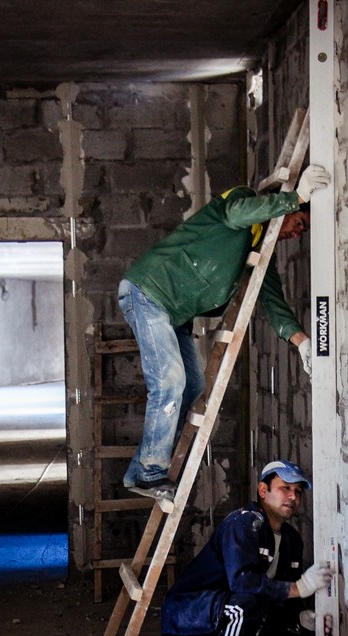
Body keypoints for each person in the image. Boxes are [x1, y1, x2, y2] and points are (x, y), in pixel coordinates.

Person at [118, 165, 331, 501]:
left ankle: (139, 471)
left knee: (194, 386)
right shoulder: (243, 203)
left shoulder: (259, 245)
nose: (296, 232)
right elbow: (237, 213)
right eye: (299, 223)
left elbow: (271, 298)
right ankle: (150, 472)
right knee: (170, 383)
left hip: (174, 311)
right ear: (286, 207)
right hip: (150, 293)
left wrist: (301, 342)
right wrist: (298, 197)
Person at [160, 459, 332, 636]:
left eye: (298, 491)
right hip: (188, 616)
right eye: (285, 488)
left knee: (289, 635)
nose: (292, 496)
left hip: (227, 616)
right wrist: (299, 587)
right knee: (247, 605)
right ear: (262, 490)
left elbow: (284, 595)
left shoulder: (292, 540)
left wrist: (301, 617)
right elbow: (242, 582)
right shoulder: (243, 522)